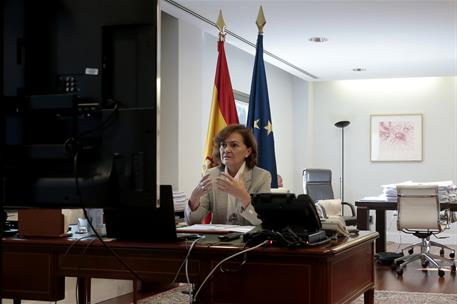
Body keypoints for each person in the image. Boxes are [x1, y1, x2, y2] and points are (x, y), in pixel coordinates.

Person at [185, 124, 271, 225]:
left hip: (249, 239)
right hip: (218, 240)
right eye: (223, 145)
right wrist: (194, 200)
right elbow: (192, 222)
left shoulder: (262, 177)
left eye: (234, 145)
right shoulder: (211, 175)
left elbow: (261, 221)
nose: (226, 150)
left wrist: (243, 196)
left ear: (248, 151)